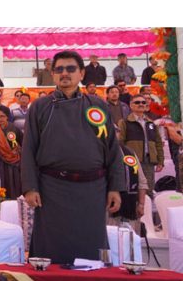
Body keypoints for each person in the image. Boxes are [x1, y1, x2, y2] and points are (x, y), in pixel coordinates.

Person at [21, 50, 125, 264]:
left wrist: (114, 187)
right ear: (52, 74)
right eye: (59, 69)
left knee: (91, 251)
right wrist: (30, 187)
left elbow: (113, 149)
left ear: (82, 73)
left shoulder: (98, 106)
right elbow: (29, 149)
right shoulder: (40, 107)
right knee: (50, 253)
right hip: (52, 190)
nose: (64, 73)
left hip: (92, 190)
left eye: (70, 69)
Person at [117, 94, 164, 198]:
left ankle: (147, 212)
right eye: (137, 102)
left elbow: (158, 143)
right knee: (133, 189)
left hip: (149, 161)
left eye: (143, 102)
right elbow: (120, 143)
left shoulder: (151, 123)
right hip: (132, 161)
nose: (141, 104)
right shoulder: (124, 122)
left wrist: (160, 161)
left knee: (149, 189)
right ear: (131, 105)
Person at [107, 143, 149, 234]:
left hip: (130, 209)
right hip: (105, 211)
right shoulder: (97, 153)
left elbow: (141, 181)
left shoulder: (129, 153)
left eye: (117, 130)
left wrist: (141, 204)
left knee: (129, 244)